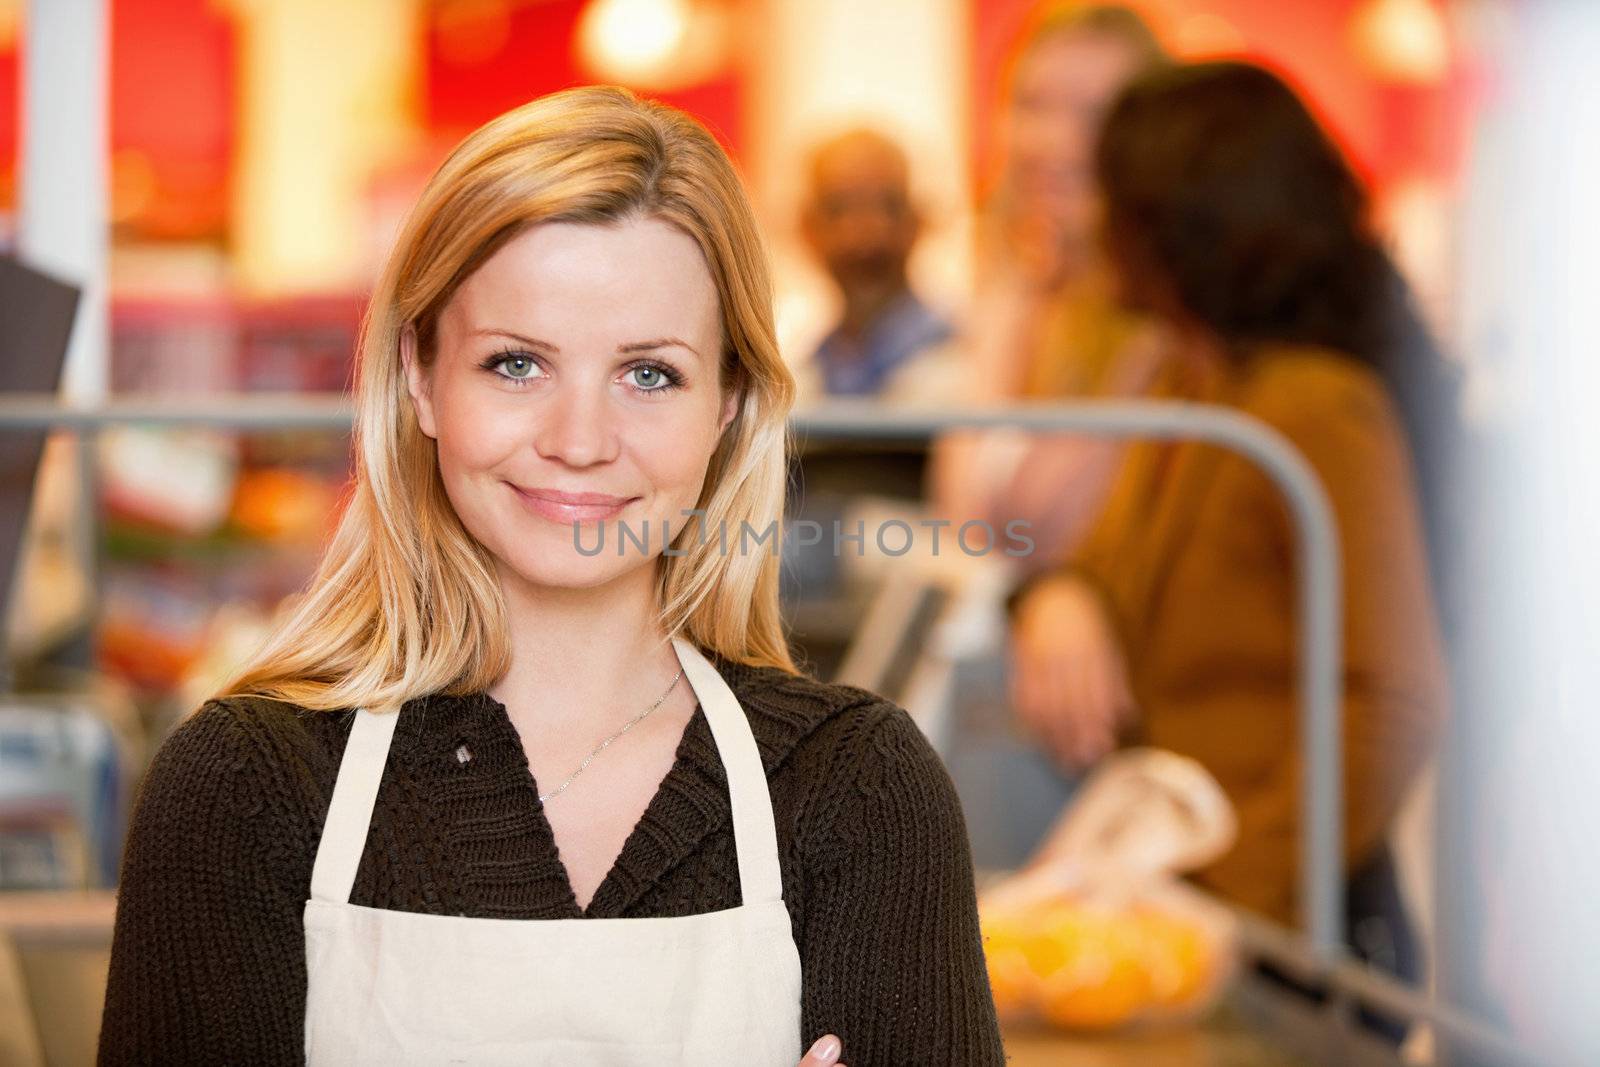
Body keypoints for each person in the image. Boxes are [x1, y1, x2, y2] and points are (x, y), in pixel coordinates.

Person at [97, 86, 1006, 1066]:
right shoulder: (245, 789)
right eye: (517, 364)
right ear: (420, 377)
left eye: (647, 373)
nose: (579, 441)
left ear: (730, 404)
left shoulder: (858, 791)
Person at [1006, 61, 1457, 1035]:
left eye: (1113, 196)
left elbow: (1392, 698)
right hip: (1198, 907)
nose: (1092, 223)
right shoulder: (1197, 384)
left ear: (1179, 219)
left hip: (1291, 938)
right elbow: (1124, 565)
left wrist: (1235, 896)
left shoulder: (1315, 404)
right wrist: (1066, 593)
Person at [930, 2, 1173, 566]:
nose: (1051, 140)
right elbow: (960, 531)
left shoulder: (1169, 332)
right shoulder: (1009, 298)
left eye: (1095, 114)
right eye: (1031, 105)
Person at [795, 128, 956, 403]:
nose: (865, 237)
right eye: (839, 209)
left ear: (917, 221)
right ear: (809, 228)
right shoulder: (798, 370)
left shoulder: (963, 363)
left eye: (888, 207)